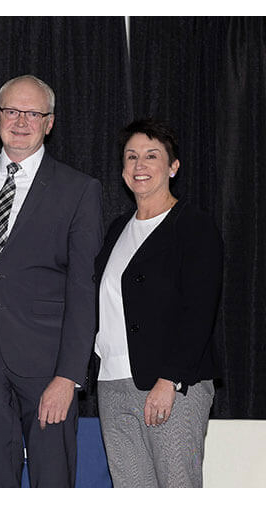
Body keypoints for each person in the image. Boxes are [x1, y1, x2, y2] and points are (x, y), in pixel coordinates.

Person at [0, 74, 103, 487]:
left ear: (49, 123)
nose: (21, 121)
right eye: (12, 111)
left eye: (32, 113)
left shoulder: (79, 189)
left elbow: (83, 289)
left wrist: (69, 376)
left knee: (52, 481)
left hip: (47, 365)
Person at [94, 119, 222, 487]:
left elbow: (200, 309)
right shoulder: (117, 228)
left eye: (152, 156)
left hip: (170, 385)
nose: (139, 165)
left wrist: (172, 379)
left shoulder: (193, 225)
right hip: (112, 383)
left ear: (173, 166)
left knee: (176, 492)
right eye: (131, 156)